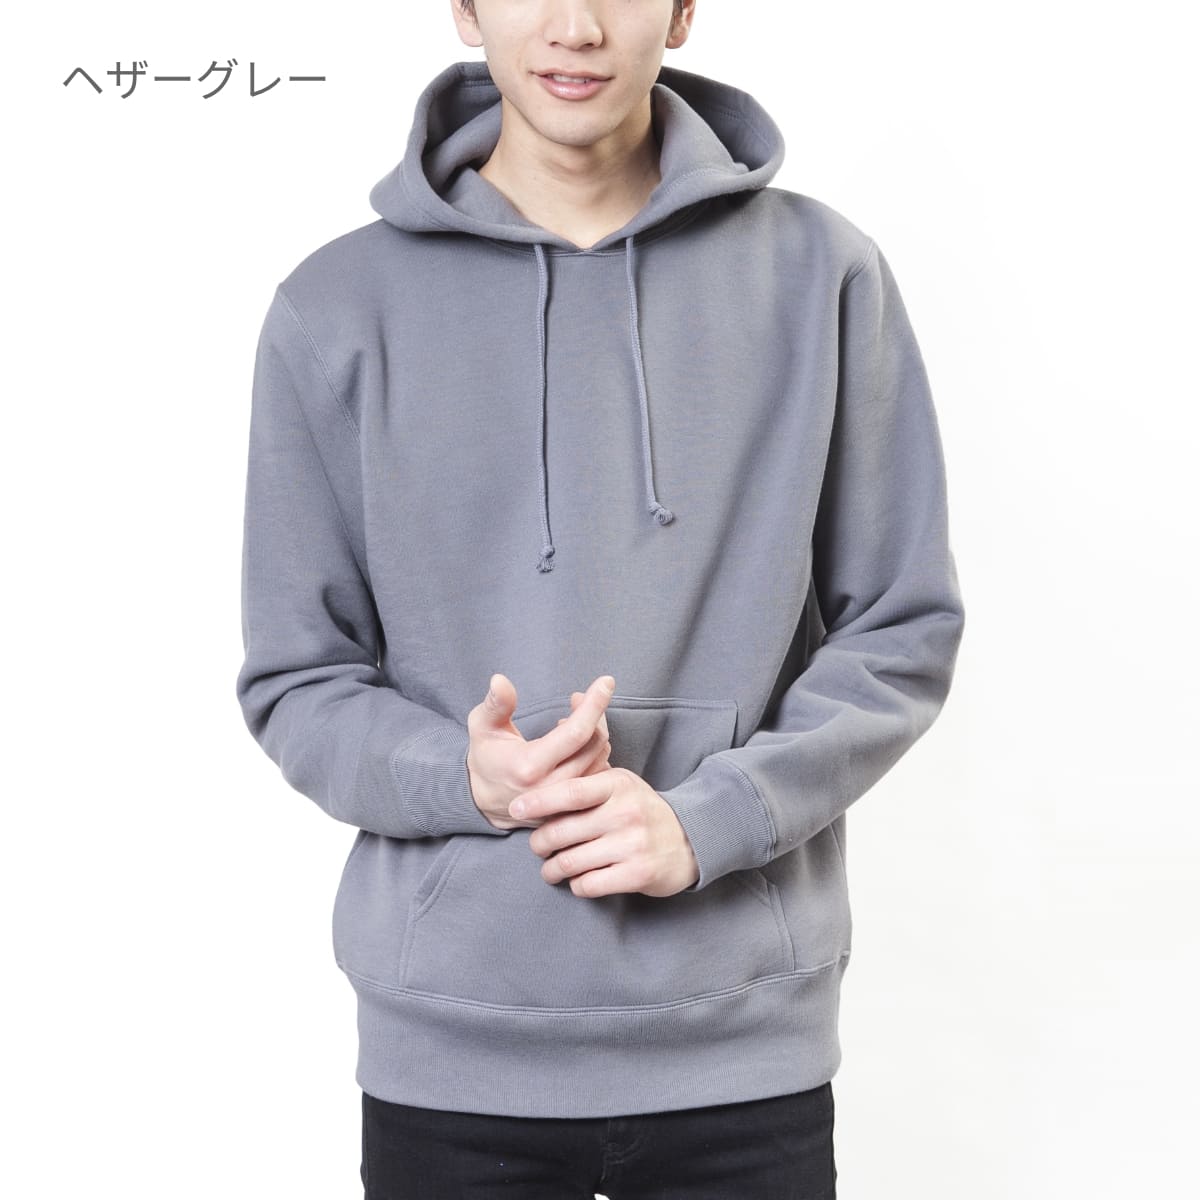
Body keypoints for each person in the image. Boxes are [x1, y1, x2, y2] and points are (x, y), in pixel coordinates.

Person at [234, 0, 966, 1195]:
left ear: (681, 12)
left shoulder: (821, 276)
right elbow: (297, 678)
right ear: (465, 9)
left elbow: (901, 628)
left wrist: (713, 818)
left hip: (743, 1052)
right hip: (452, 1058)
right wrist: (463, 775)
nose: (574, 24)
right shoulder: (336, 307)